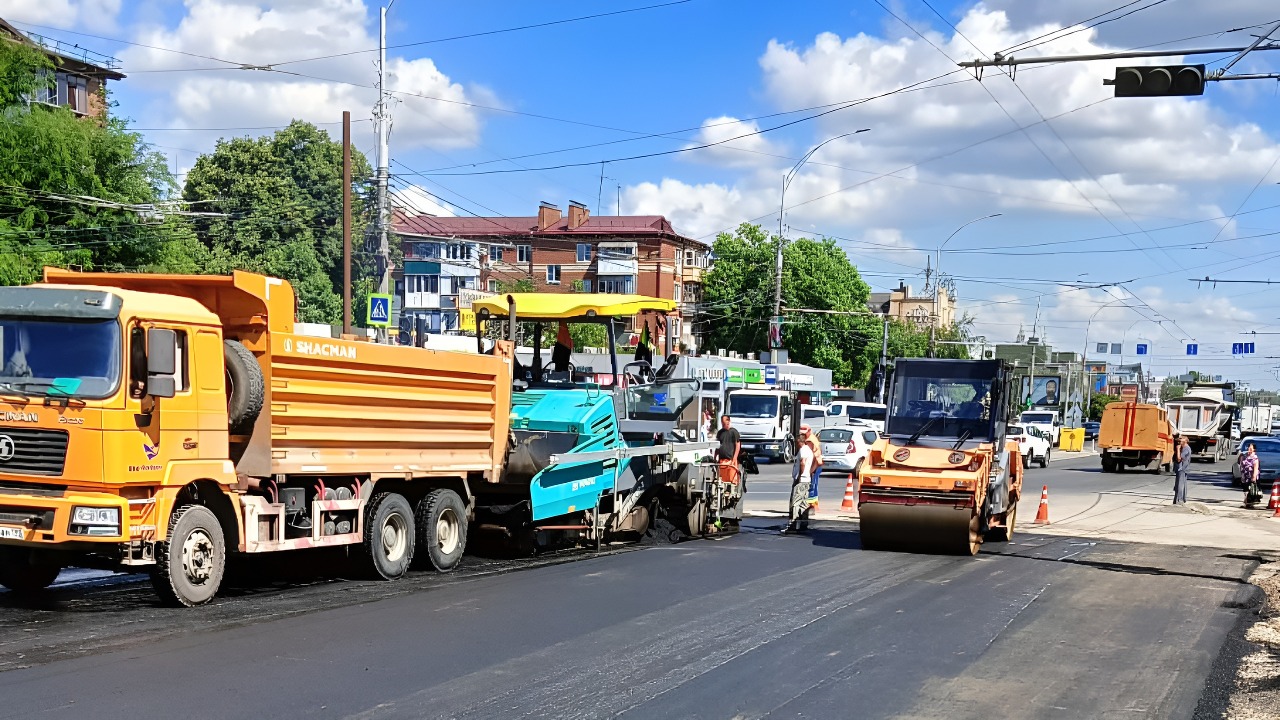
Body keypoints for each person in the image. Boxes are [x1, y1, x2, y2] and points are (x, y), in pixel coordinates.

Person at [786, 430, 816, 533]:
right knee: (804, 503)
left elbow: (802, 463)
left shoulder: (803, 450)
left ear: (800, 442)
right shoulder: (809, 450)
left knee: (796, 502)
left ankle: (793, 525)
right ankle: (803, 523)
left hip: (801, 480)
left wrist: (800, 476)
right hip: (807, 479)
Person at [801, 425, 823, 508]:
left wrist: (810, 471)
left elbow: (814, 458)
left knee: (811, 485)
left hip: (815, 465)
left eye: (804, 433)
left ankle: (810, 505)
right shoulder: (811, 438)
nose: (802, 435)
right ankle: (813, 504)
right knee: (814, 484)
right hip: (816, 465)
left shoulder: (810, 441)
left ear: (809, 431)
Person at [1173, 436, 1192, 505]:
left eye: (1181, 440)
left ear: (1186, 441)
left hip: (1182, 468)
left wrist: (1177, 449)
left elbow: (1179, 458)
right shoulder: (1184, 448)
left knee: (1180, 485)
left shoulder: (1186, 449)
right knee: (1179, 484)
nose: (1179, 442)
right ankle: (1179, 499)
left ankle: (1179, 500)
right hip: (1181, 468)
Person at [1242, 444, 1262, 508]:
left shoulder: (1255, 458)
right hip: (1246, 475)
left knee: (1251, 489)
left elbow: (1256, 469)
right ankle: (1246, 502)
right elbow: (1242, 465)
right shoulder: (1245, 456)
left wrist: (1254, 477)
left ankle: (1248, 502)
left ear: (1254, 449)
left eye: (1251, 448)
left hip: (1252, 476)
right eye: (1248, 448)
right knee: (1245, 489)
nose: (1249, 449)